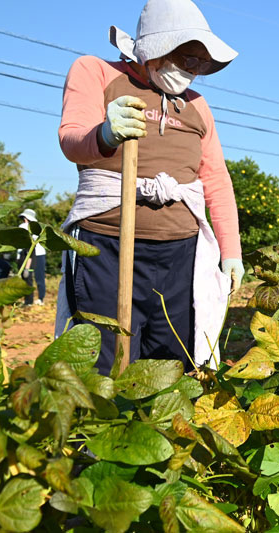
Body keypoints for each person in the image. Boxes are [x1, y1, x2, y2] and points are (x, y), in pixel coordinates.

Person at [56, 0, 243, 375]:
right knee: (104, 362)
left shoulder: (197, 106)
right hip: (105, 248)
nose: (192, 72)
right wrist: (104, 134)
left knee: (171, 366)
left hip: (180, 257)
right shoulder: (96, 72)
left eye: (200, 64)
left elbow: (216, 181)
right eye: (186, 59)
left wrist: (231, 251)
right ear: (155, 47)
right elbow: (70, 139)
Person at [18, 208, 47, 305]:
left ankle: (36, 299)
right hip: (32, 255)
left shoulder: (25, 226)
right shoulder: (36, 227)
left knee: (33, 277)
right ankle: (37, 299)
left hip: (35, 255)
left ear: (26, 218)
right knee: (37, 277)